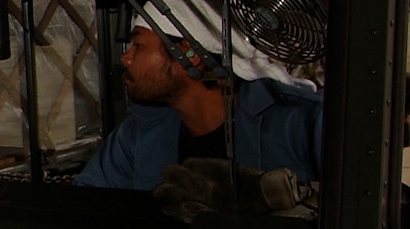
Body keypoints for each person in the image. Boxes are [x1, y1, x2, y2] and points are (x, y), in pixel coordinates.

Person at [77, 23, 324, 198]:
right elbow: (88, 202)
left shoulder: (304, 123)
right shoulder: (138, 133)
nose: (126, 59)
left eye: (138, 45)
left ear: (189, 53)